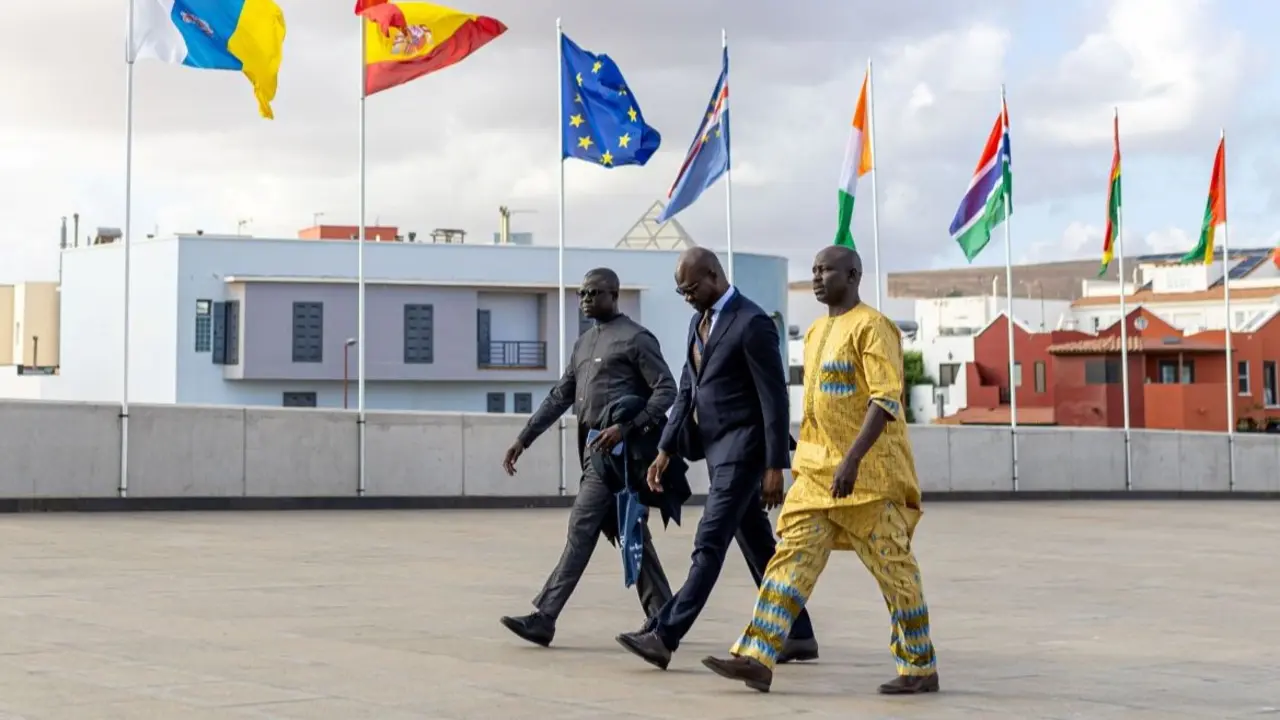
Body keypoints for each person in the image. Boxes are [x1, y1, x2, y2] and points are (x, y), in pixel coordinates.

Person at [700, 245, 939, 694]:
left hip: (867, 480)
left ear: (853, 275)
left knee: (895, 571)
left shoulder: (874, 327)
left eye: (825, 270)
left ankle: (919, 664)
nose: (815, 277)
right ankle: (757, 656)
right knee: (788, 560)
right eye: (812, 270)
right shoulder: (812, 333)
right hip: (815, 475)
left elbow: (885, 399)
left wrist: (851, 460)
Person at [614, 248, 819, 669]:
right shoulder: (698, 323)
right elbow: (688, 389)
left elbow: (774, 397)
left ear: (713, 275)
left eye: (690, 288)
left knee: (708, 544)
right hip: (715, 452)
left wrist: (775, 465)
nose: (686, 297)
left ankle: (665, 635)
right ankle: (798, 634)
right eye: (680, 291)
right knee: (760, 548)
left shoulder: (752, 322)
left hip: (745, 453)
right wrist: (666, 450)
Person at [499, 268, 678, 647]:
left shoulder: (636, 339)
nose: (585, 299)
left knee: (581, 531)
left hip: (622, 456)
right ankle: (665, 615)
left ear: (615, 295)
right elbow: (560, 395)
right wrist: (524, 438)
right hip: (592, 453)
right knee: (632, 534)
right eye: (582, 293)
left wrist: (628, 427)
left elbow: (667, 389)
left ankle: (544, 618)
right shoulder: (583, 343)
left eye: (594, 293)